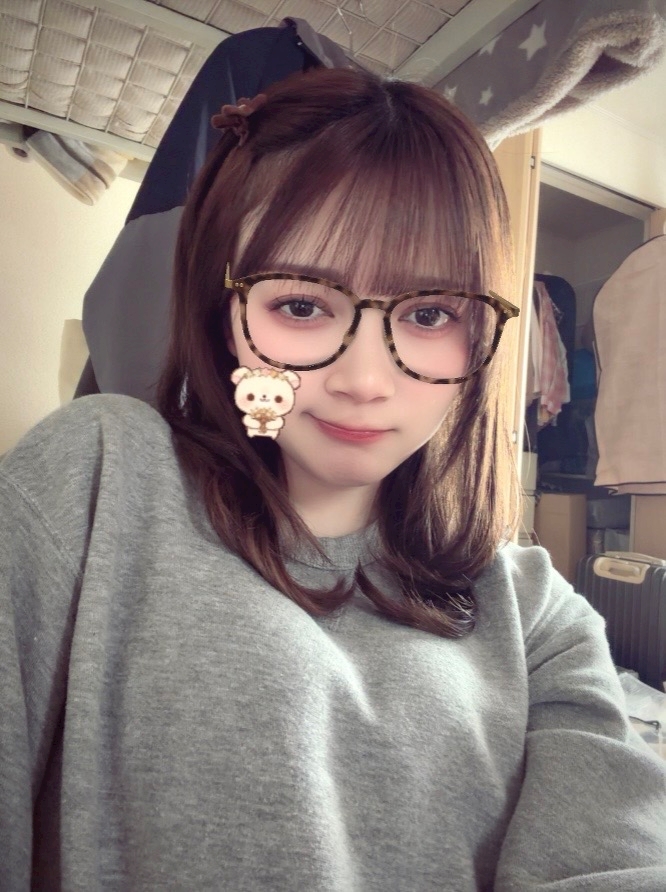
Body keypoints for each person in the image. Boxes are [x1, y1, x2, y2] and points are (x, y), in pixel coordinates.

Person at [0, 66, 664, 892]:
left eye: (429, 315)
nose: (364, 381)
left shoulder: (535, 613)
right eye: (303, 305)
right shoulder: (97, 479)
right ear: (225, 312)